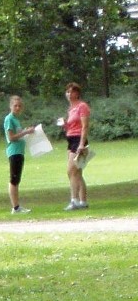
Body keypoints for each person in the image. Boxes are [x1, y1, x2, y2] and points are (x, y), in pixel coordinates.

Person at [3, 95, 35, 214]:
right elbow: (11, 137)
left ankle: (17, 206)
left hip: (20, 152)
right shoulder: (9, 119)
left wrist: (26, 132)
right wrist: (25, 132)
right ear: (10, 106)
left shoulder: (16, 120)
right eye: (15, 105)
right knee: (14, 179)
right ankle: (15, 207)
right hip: (14, 151)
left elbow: (18, 134)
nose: (17, 107)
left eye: (19, 106)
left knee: (17, 179)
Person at [62, 82, 91, 211]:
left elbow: (84, 126)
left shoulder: (82, 106)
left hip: (79, 140)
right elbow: (71, 127)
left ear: (77, 93)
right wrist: (64, 125)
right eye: (67, 92)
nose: (69, 94)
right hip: (70, 139)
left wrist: (81, 144)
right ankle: (83, 201)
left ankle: (74, 200)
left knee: (71, 170)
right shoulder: (70, 108)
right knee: (77, 172)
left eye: (72, 91)